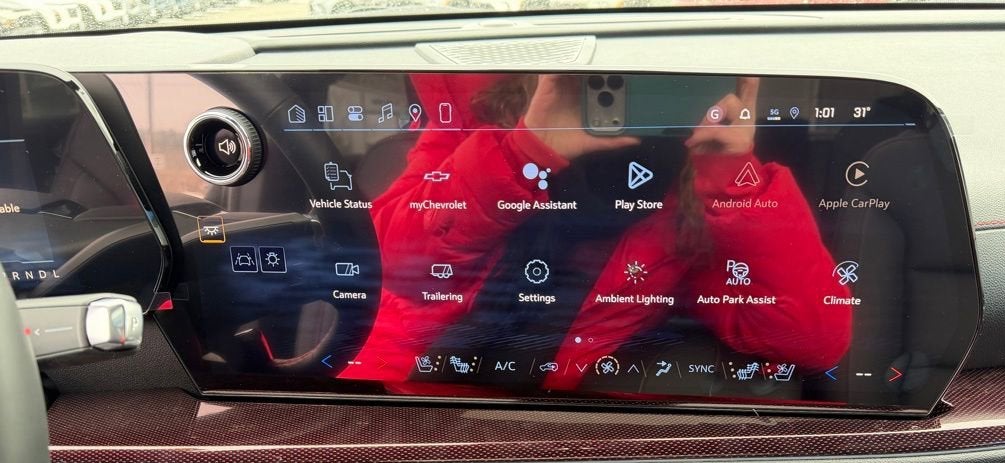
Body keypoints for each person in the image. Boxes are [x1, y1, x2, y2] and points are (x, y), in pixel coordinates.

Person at [339, 74, 851, 390]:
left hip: (538, 417)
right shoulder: (482, 122)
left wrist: (732, 171)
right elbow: (393, 268)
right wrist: (525, 148)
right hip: (394, 388)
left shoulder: (696, 195)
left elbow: (812, 341)